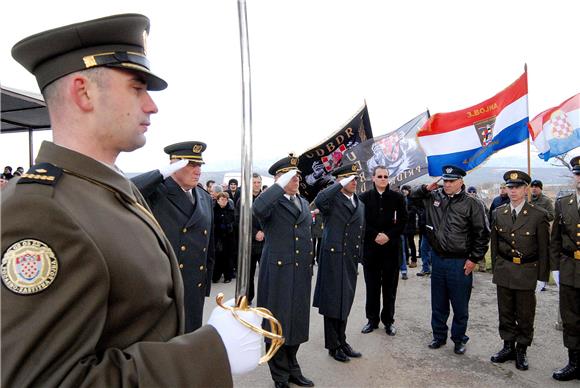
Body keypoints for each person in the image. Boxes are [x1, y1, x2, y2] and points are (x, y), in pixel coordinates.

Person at [1, 14, 262, 387]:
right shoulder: (41, 211)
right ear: (83, 91)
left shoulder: (105, 191)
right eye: (137, 87)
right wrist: (208, 352)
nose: (151, 105)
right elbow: (46, 380)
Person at [132, 141, 215, 333]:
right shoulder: (156, 192)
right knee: (167, 342)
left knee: (190, 337)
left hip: (195, 284)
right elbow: (126, 189)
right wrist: (161, 173)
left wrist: (206, 282)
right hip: (165, 286)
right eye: (191, 165)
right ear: (174, 166)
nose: (198, 171)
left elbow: (208, 246)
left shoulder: (203, 197)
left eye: (200, 165)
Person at [414, 165, 490, 355]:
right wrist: (425, 189)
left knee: (460, 304)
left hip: (460, 261)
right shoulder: (434, 197)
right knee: (438, 303)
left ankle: (459, 339)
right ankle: (439, 336)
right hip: (438, 259)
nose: (447, 184)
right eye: (445, 180)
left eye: (451, 181)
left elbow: (482, 234)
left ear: (461, 182)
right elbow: (411, 198)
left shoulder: (473, 204)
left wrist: (474, 258)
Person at [253, 155, 314, 388]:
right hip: (277, 272)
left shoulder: (303, 202)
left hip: (299, 272)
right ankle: (279, 375)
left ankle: (292, 367)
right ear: (278, 179)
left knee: (296, 321)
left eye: (297, 175)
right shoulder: (271, 202)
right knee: (276, 323)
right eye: (290, 175)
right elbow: (257, 208)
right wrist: (278, 186)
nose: (296, 179)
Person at [489, 170, 550, 371]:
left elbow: (544, 248)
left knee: (525, 314)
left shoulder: (538, 215)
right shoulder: (499, 213)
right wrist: (497, 269)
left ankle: (521, 349)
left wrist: (542, 277)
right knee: (505, 311)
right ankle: (508, 346)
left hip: (527, 271)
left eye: (517, 187)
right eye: (510, 187)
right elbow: (495, 245)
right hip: (505, 269)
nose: (513, 191)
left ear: (526, 190)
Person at [313, 163, 365, 363]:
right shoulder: (332, 200)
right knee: (333, 301)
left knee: (345, 300)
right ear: (340, 181)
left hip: (350, 258)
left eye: (355, 179)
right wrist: (338, 183)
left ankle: (342, 341)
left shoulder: (359, 204)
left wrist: (361, 257)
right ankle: (333, 345)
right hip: (333, 256)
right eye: (349, 179)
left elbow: (360, 234)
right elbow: (319, 199)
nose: (353, 182)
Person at [359, 166, 408, 336]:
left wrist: (388, 235)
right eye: (379, 176)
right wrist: (375, 235)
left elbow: (403, 221)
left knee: (389, 289)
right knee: (372, 288)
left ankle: (388, 321)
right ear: (372, 178)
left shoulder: (397, 198)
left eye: (385, 176)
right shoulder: (364, 198)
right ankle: (372, 320)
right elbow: (362, 222)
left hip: (391, 251)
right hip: (371, 251)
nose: (382, 179)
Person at [549, 156, 580, 381]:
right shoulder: (563, 203)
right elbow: (556, 239)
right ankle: (574, 363)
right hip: (569, 267)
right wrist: (556, 268)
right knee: (570, 318)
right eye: (578, 174)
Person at [213, 192, 236, 283]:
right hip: (217, 237)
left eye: (226, 199)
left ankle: (228, 276)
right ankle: (216, 276)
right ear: (218, 200)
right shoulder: (213, 209)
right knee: (217, 257)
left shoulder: (231, 210)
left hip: (228, 237)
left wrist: (230, 226)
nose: (224, 201)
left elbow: (235, 222)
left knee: (228, 257)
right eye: (222, 199)